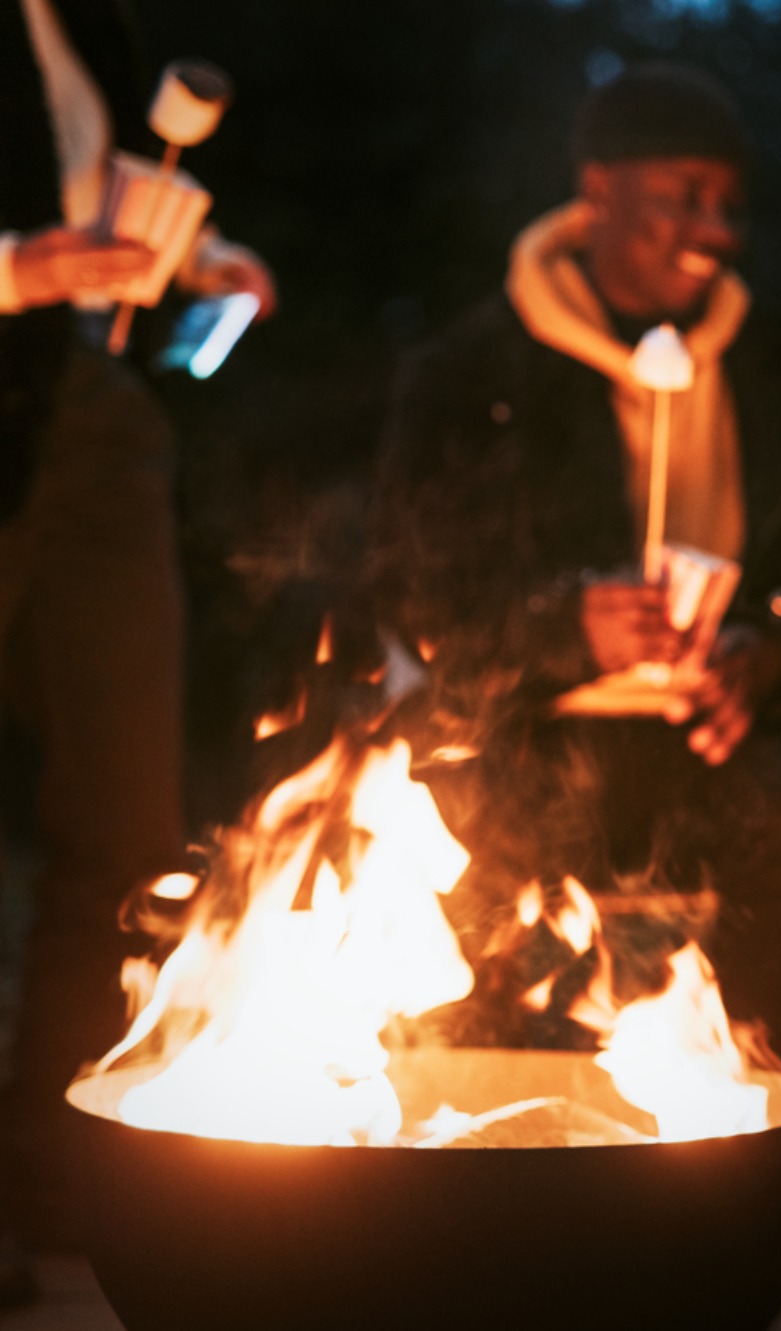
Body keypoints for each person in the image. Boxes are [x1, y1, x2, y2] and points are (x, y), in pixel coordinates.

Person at [372, 64, 781, 1055]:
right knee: (447, 826)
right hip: (526, 730)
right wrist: (565, 626)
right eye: (683, 198)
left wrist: (776, 650)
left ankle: (735, 1109)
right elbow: (411, 584)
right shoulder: (472, 366)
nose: (717, 229)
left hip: (726, 738)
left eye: (730, 205)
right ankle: (507, 1124)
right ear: (598, 195)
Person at [0, 0, 274, 1298]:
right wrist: (20, 273)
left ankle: (59, 1176)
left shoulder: (79, 20)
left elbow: (93, 196)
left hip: (89, 415)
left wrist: (201, 257)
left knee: (123, 816)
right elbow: (35, 242)